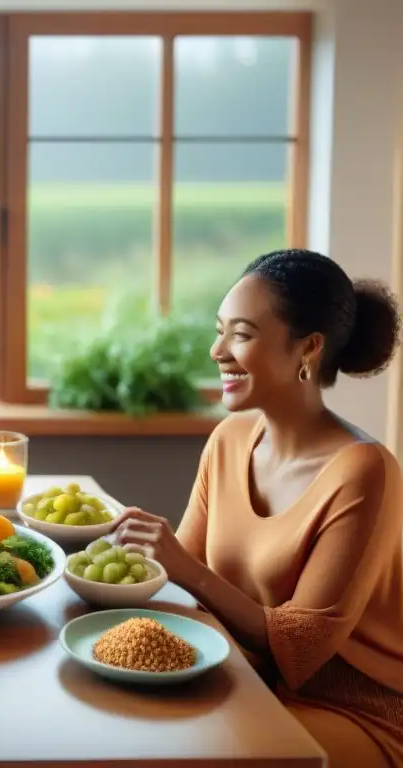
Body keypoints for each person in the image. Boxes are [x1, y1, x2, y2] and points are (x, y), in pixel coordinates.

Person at [112, 248, 403, 767]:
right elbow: (183, 589)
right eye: (220, 330)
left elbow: (302, 646)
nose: (217, 350)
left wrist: (181, 565)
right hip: (246, 680)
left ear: (308, 349)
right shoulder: (229, 440)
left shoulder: (364, 471)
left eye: (241, 334)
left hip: (350, 712)